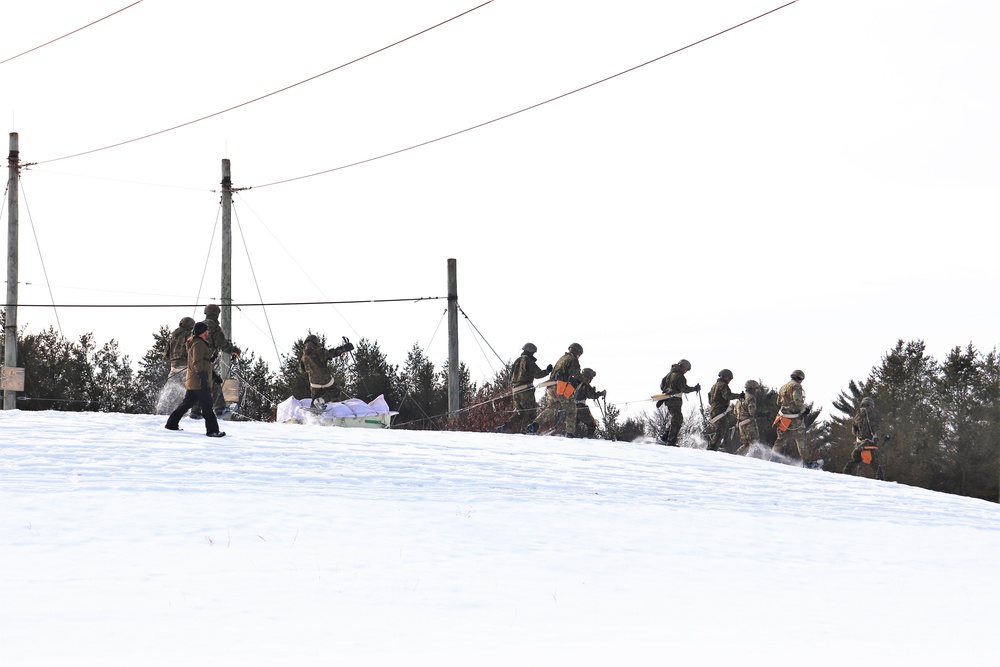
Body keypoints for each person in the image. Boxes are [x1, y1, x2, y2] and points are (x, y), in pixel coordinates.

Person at [164, 322, 226, 437]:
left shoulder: (198, 343)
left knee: (186, 404)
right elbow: (197, 362)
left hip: (194, 381)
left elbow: (203, 361)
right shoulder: (198, 344)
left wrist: (214, 374)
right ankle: (212, 431)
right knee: (207, 406)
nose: (208, 332)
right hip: (199, 382)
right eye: (206, 330)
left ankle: (171, 424)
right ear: (203, 332)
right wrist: (203, 378)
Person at [190, 304, 242, 418]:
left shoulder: (198, 326)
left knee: (201, 384)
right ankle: (219, 409)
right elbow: (221, 343)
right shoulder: (213, 327)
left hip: (196, 360)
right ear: (217, 314)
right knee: (215, 383)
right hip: (207, 361)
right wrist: (233, 350)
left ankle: (195, 410)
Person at [529, 343, 584, 437]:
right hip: (561, 387)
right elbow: (577, 375)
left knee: (551, 409)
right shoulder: (573, 360)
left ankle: (535, 425)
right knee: (571, 410)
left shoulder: (562, 358)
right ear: (577, 352)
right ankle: (570, 433)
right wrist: (580, 380)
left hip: (551, 386)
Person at [497, 343, 552, 434]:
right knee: (530, 412)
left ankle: (505, 427)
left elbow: (511, 375)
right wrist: (548, 370)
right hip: (525, 391)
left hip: (515, 391)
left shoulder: (517, 361)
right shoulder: (529, 361)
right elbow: (538, 374)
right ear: (531, 351)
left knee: (519, 412)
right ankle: (529, 432)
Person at [300, 334, 355, 405]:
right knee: (335, 392)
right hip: (326, 381)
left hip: (314, 384)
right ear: (316, 343)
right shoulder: (318, 352)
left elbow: (302, 370)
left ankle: (314, 409)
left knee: (315, 403)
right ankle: (323, 400)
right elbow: (331, 353)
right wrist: (344, 348)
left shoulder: (303, 358)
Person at [656, 359, 700, 446]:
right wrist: (694, 388)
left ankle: (665, 437)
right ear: (683, 367)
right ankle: (670, 441)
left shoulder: (669, 374)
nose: (685, 372)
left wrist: (668, 391)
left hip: (668, 399)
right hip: (674, 401)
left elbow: (662, 385)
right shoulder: (679, 376)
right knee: (677, 419)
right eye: (686, 369)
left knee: (677, 419)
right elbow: (684, 389)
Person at [843, 396, 884, 479]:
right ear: (870, 405)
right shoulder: (873, 416)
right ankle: (881, 480)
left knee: (854, 461)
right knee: (874, 463)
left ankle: (844, 476)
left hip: (859, 442)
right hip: (870, 442)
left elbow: (854, 431)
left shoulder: (857, 416)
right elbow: (876, 428)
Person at [772, 369, 806, 463]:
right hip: (794, 418)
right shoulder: (796, 386)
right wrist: (804, 410)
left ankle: (773, 458)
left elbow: (778, 402)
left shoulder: (783, 387)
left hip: (783, 417)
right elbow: (798, 400)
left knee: (781, 439)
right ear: (800, 378)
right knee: (800, 438)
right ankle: (806, 462)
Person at [707, 369, 743, 452]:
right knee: (720, 430)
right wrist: (739, 396)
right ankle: (712, 448)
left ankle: (727, 449)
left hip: (714, 410)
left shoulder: (714, 385)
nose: (730, 380)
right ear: (726, 377)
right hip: (720, 411)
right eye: (729, 378)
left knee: (724, 430)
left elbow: (709, 397)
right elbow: (728, 396)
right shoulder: (723, 385)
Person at [734, 379, 765, 456]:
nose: (757, 391)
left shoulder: (740, 398)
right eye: (756, 389)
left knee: (746, 444)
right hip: (749, 424)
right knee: (754, 443)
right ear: (752, 388)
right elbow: (752, 412)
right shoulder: (751, 398)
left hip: (740, 424)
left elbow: (735, 411)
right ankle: (754, 459)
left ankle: (736, 456)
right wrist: (763, 414)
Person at [573, 368, 606, 438]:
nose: (591, 380)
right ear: (587, 377)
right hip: (581, 408)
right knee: (592, 424)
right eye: (590, 378)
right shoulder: (586, 386)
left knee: (573, 425)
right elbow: (592, 395)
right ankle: (588, 439)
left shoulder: (575, 383)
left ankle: (572, 438)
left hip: (572, 407)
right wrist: (601, 393)